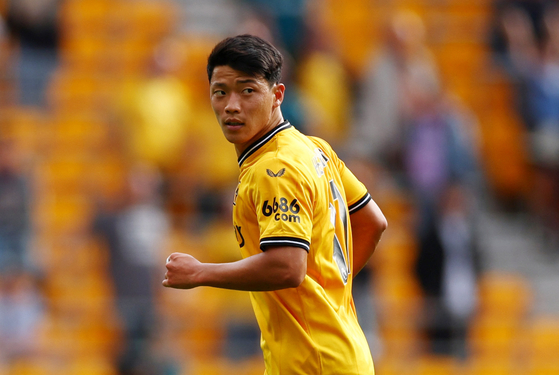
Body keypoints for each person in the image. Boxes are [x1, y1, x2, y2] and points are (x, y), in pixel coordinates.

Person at [163, 34, 387, 375]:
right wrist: (323, 291)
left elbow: (287, 266)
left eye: (247, 90)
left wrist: (200, 272)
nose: (231, 105)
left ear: (277, 95)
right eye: (220, 92)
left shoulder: (273, 169)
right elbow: (373, 222)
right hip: (333, 355)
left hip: (314, 363)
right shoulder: (315, 149)